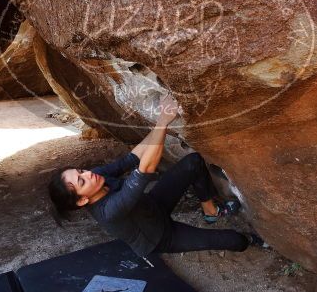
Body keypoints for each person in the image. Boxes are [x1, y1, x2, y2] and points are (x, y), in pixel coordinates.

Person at [47, 94, 263, 259]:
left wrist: (160, 126)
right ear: (83, 200)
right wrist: (162, 122)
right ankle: (254, 240)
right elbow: (144, 170)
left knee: (193, 162)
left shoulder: (96, 176)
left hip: (151, 205)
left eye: (81, 171)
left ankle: (211, 211)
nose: (88, 174)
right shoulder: (109, 212)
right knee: (234, 239)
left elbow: (131, 159)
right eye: (82, 181)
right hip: (159, 237)